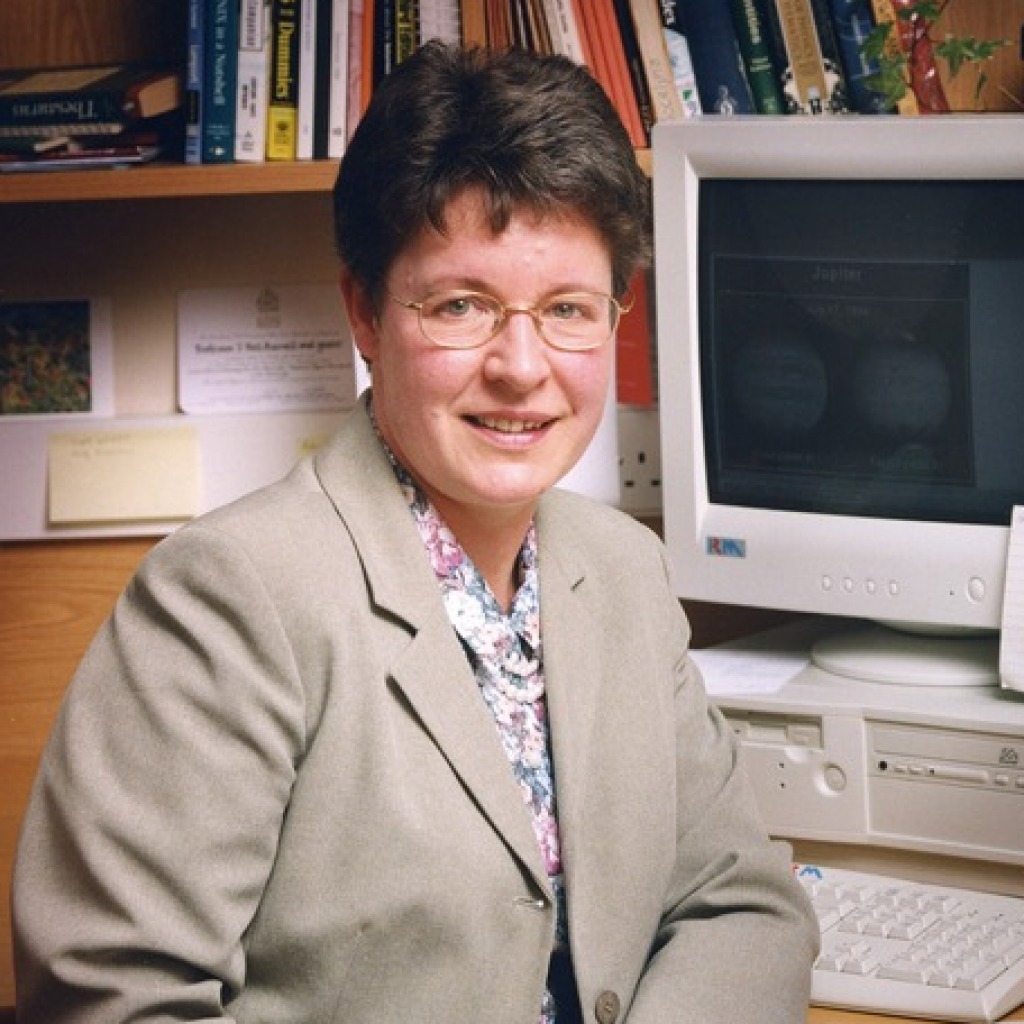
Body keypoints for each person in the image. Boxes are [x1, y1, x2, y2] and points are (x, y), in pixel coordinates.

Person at [12, 42, 818, 1023]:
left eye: (567, 309)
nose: (522, 367)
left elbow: (742, 902)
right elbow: (116, 1001)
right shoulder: (228, 599)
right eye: (462, 306)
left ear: (617, 317)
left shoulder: (622, 572)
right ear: (365, 310)